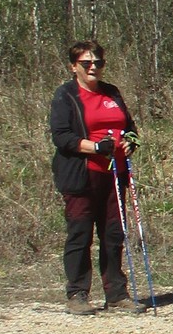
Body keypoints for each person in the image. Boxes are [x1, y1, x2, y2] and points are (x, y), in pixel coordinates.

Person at [50, 41, 142, 315]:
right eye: (86, 63)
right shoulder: (66, 95)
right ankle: (77, 293)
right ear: (73, 67)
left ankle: (116, 293)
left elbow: (129, 127)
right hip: (82, 174)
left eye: (98, 63)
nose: (93, 67)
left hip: (114, 173)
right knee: (80, 233)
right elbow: (61, 136)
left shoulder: (112, 92)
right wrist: (94, 147)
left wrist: (131, 141)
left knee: (113, 234)